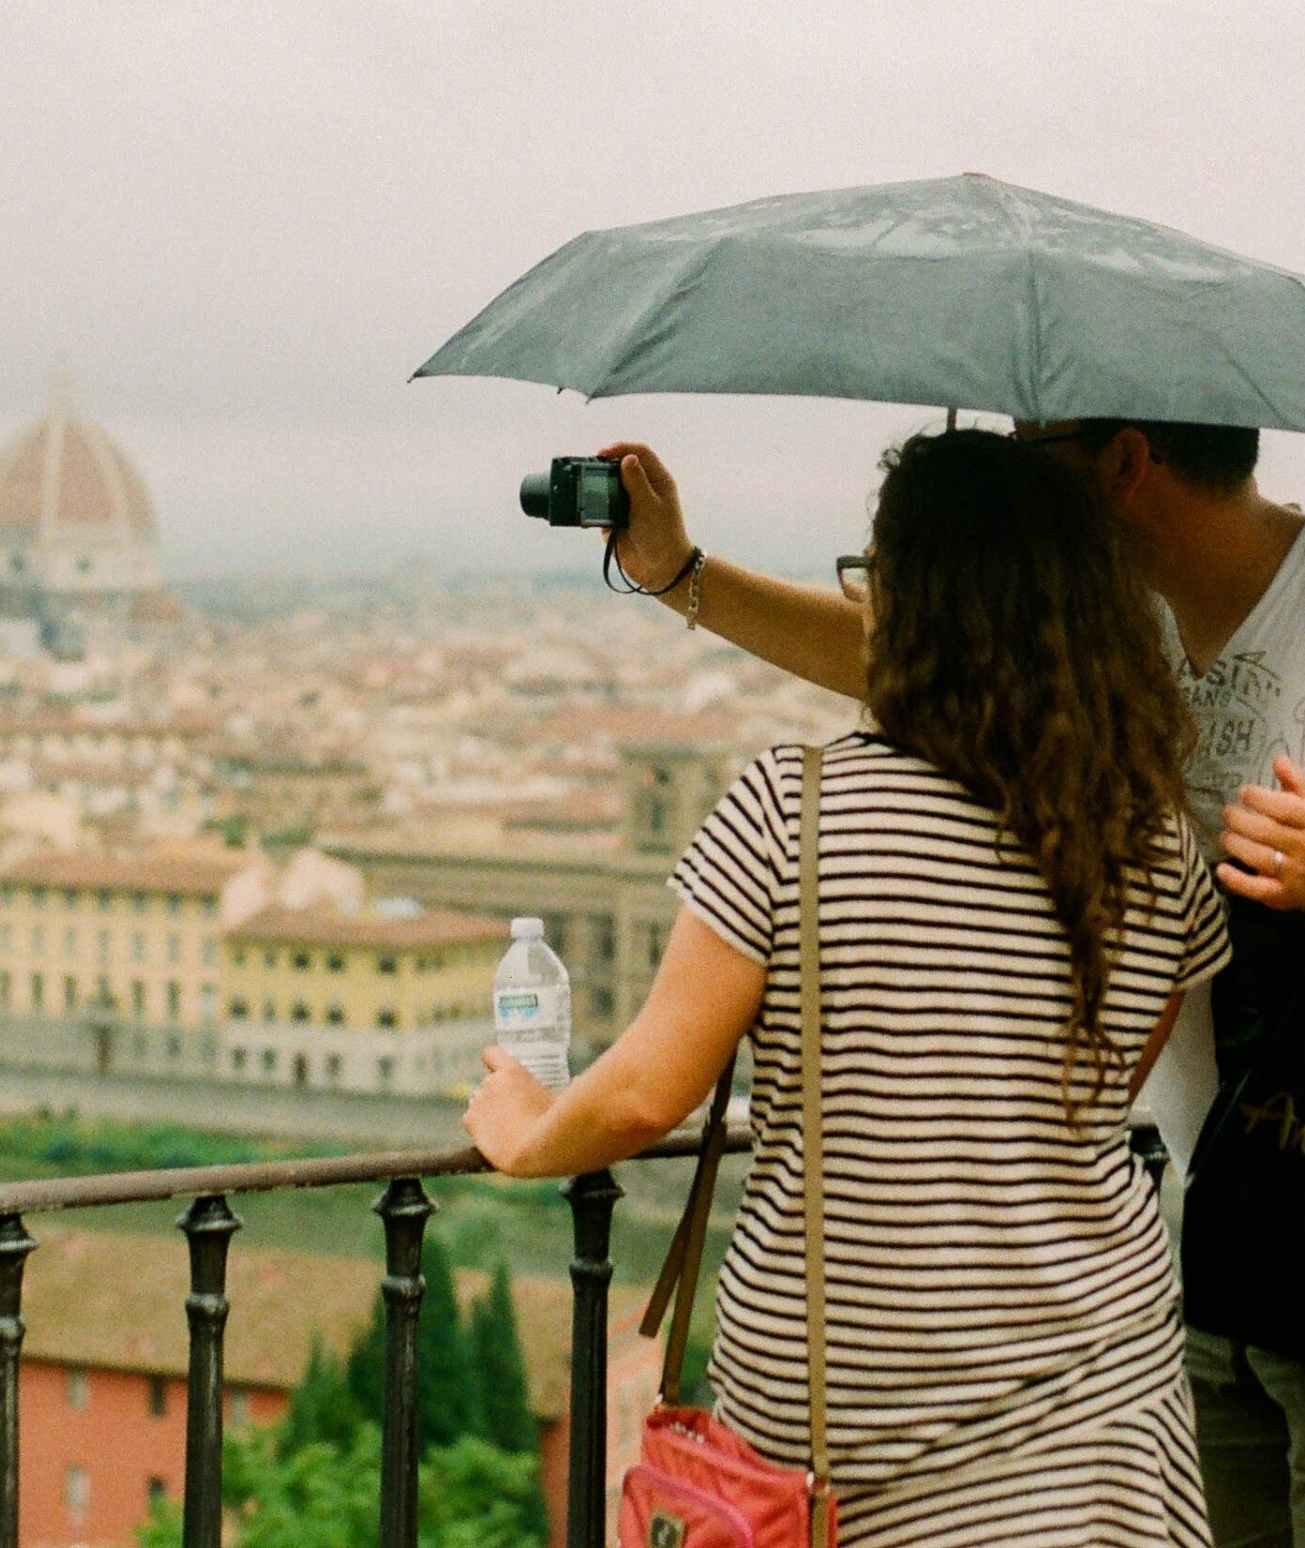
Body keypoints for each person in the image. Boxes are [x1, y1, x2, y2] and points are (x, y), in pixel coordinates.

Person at [583, 420, 1305, 1548]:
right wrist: (677, 575)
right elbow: (923, 651)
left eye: (1037, 439)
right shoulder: (1119, 627)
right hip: (1207, 1248)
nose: (1012, 452)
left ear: (1123, 462)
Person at [464, 429, 1230, 1546]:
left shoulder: (797, 809)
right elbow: (1112, 1086)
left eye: (870, 576)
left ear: (907, 607)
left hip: (856, 1460)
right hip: (1103, 1425)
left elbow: (644, 1095)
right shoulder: (1153, 841)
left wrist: (527, 1134)